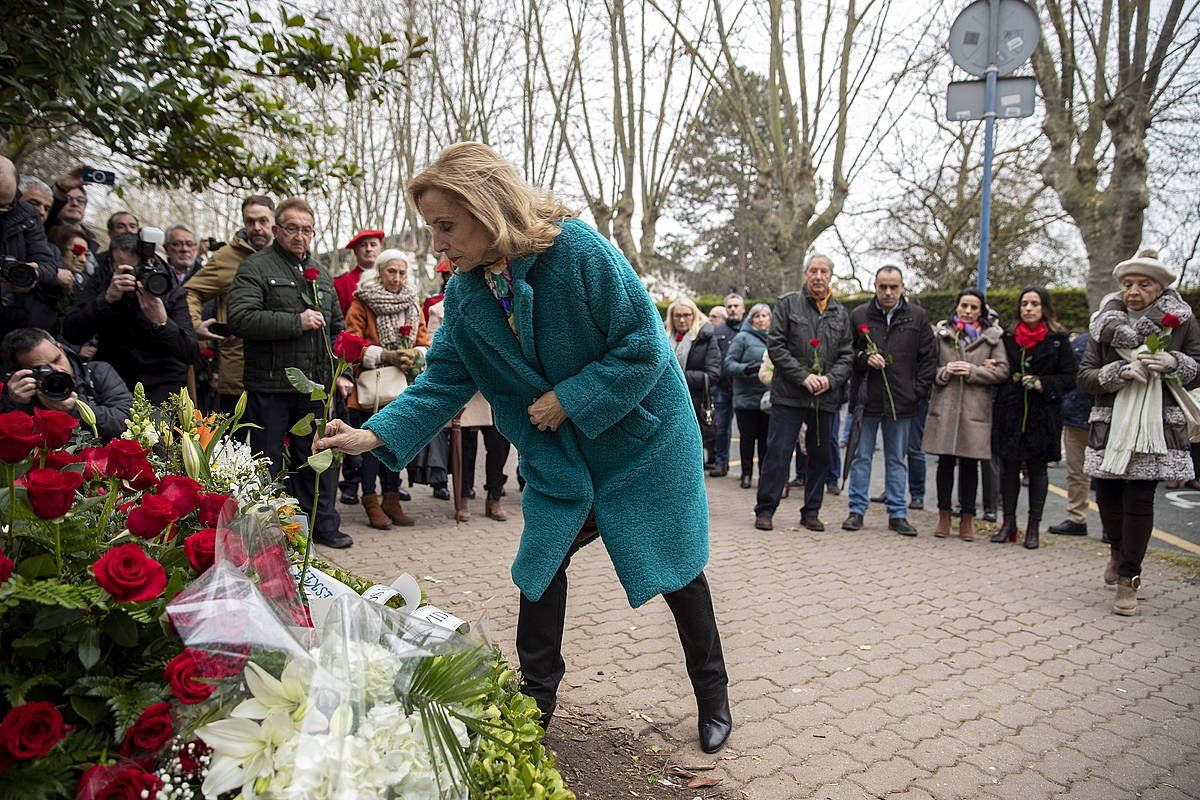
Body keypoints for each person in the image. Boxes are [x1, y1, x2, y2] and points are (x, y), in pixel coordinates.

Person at [314, 142, 732, 754]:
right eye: (433, 229)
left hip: (640, 441)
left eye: (447, 227)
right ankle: (536, 701)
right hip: (561, 452)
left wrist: (570, 398)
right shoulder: (464, 294)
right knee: (539, 568)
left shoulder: (578, 251)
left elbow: (645, 345)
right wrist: (375, 432)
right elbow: (446, 377)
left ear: (487, 208)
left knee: (676, 569)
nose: (439, 246)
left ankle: (713, 695)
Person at [1077, 249, 1200, 615]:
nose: (1133, 290)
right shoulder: (1104, 326)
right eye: (1128, 284)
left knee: (1140, 500)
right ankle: (1117, 551)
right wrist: (1117, 374)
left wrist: (1175, 363)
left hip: (1157, 426)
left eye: (1143, 284)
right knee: (1108, 498)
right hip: (1111, 422)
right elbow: (1084, 377)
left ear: (1159, 289)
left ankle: (1130, 578)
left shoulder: (1182, 324)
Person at [228, 196, 352, 550]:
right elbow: (241, 318)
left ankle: (320, 524)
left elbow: (336, 329)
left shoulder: (322, 273)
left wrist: (340, 374)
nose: (300, 236)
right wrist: (294, 322)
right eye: (292, 229)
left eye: (307, 230)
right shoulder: (256, 266)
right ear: (277, 230)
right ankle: (267, 529)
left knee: (316, 458)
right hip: (270, 384)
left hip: (314, 387)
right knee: (266, 461)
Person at [754, 254, 853, 532]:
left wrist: (830, 380)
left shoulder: (840, 312)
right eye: (813, 271)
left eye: (823, 271)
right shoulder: (788, 304)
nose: (818, 276)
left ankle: (811, 511)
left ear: (831, 276)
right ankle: (765, 509)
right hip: (789, 394)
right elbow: (776, 346)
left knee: (821, 456)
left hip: (825, 398)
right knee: (778, 452)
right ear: (805, 274)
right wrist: (803, 376)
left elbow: (847, 355)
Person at [842, 266, 935, 536]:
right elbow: (848, 351)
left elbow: (928, 358)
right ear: (875, 286)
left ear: (902, 287)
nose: (888, 292)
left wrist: (916, 391)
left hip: (902, 401)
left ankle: (897, 512)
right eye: (883, 286)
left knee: (897, 459)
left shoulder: (917, 317)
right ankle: (856, 510)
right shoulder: (859, 314)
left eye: (893, 287)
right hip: (867, 399)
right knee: (861, 457)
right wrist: (863, 359)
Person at [343, 249, 431, 529]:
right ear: (379, 272)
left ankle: (391, 499)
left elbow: (423, 340)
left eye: (402, 272)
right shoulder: (362, 302)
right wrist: (385, 355)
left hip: (402, 386)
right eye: (391, 271)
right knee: (369, 446)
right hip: (373, 388)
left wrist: (415, 354)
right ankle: (370, 500)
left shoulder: (412, 303)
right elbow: (351, 344)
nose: (397, 277)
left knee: (395, 443)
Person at [61, 232, 198, 402]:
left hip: (162, 382)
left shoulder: (168, 288)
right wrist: (106, 300)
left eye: (139, 269)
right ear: (111, 265)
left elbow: (190, 352)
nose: (134, 276)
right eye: (127, 270)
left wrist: (161, 322)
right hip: (114, 382)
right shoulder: (100, 284)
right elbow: (71, 332)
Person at [989, 288, 1077, 549]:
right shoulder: (1007, 337)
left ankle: (1033, 527)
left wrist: (1043, 383)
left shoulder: (1058, 340)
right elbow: (1001, 368)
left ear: (1044, 308)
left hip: (1042, 414)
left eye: (1034, 304)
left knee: (1038, 471)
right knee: (1008, 470)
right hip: (1010, 412)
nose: (1029, 308)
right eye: (1025, 303)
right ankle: (1008, 524)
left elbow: (1071, 377)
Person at [922, 289, 1009, 541]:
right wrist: (945, 371)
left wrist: (973, 371)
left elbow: (1002, 371)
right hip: (946, 406)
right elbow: (930, 368)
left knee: (970, 465)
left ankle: (968, 518)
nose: (968, 312)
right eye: (964, 306)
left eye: (974, 307)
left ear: (981, 311)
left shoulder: (993, 338)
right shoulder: (942, 335)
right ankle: (943, 515)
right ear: (956, 307)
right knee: (945, 464)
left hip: (974, 409)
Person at [185, 195, 275, 412]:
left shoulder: (286, 255)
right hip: (238, 371)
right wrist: (195, 324)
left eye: (263, 220)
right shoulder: (226, 257)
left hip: (280, 373)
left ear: (274, 221)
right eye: (250, 221)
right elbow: (191, 291)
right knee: (234, 442)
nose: (257, 228)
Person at [1, 327, 132, 440]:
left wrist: (76, 408)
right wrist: (16, 404)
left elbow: (127, 422)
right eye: (44, 370)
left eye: (57, 359)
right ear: (23, 373)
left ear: (61, 349)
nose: (58, 370)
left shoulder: (98, 372)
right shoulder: (18, 395)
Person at [1, 156, 66, 341]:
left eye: (5, 205)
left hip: (13, 324)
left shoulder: (27, 216)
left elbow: (47, 264)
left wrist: (34, 273)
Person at [1048, 331, 1095, 536]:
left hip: (1101, 415)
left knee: (1103, 475)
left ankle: (1107, 525)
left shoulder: (1125, 343)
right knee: (1077, 472)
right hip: (1077, 413)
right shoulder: (1081, 342)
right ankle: (1077, 518)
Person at [665, 297, 722, 461]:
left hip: (695, 402)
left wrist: (678, 376)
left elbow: (713, 374)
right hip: (669, 401)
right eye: (677, 315)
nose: (682, 320)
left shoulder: (706, 337)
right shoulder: (663, 337)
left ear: (694, 315)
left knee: (692, 450)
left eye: (686, 315)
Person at [723, 303, 771, 489]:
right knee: (747, 439)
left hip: (768, 398)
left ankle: (765, 476)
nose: (761, 319)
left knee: (766, 441)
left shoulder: (776, 338)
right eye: (757, 316)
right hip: (746, 397)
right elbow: (728, 364)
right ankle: (746, 473)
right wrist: (746, 369)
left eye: (765, 316)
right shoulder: (742, 338)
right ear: (751, 319)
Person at [707, 304, 736, 477]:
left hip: (742, 387)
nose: (711, 320)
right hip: (721, 386)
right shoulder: (714, 333)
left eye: (714, 316)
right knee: (719, 425)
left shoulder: (745, 331)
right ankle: (719, 461)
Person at [335, 228, 385, 314]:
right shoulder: (341, 284)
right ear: (355, 251)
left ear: (380, 249)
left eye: (373, 245)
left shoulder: (391, 279)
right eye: (363, 245)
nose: (369, 249)